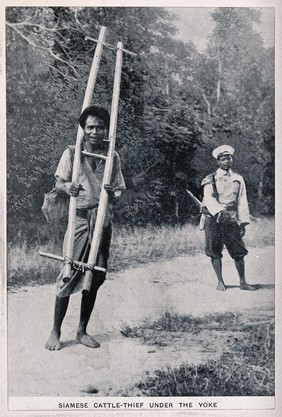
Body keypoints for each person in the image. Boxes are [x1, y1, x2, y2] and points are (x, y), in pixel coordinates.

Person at [45, 105, 126, 350]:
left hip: (102, 221)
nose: (94, 131)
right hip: (78, 220)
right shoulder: (72, 153)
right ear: (83, 129)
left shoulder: (113, 156)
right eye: (90, 127)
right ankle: (55, 332)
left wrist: (114, 192)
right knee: (69, 271)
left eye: (99, 127)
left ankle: (82, 330)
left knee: (95, 275)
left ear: (106, 130)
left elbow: (120, 189)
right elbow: (59, 183)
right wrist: (66, 187)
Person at [201, 145, 256, 292]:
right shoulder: (210, 179)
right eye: (223, 159)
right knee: (214, 250)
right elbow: (208, 198)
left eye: (229, 158)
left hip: (231, 219)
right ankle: (220, 281)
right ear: (218, 161)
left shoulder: (238, 178)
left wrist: (243, 222)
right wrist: (219, 211)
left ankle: (243, 282)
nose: (227, 161)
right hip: (214, 218)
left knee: (238, 251)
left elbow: (242, 200)